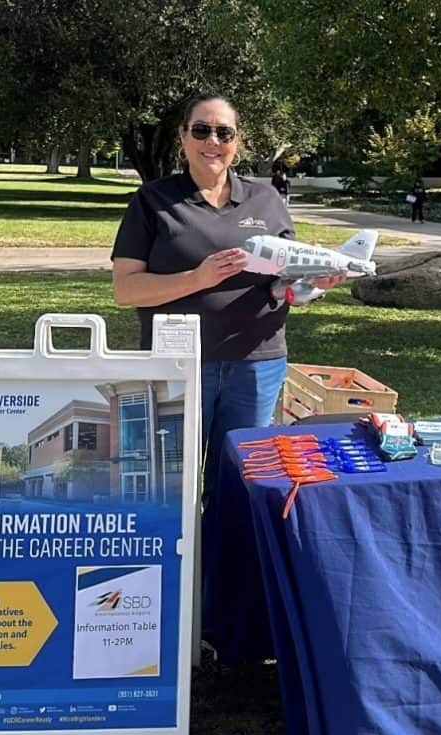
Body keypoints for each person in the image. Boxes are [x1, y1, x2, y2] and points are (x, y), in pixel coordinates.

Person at [110, 93, 344, 498]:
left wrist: (311, 286)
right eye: (201, 130)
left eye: (224, 132)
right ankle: (182, 562)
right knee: (171, 485)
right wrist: (199, 278)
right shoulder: (153, 200)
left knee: (240, 483)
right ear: (183, 136)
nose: (212, 141)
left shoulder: (266, 200)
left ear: (238, 141)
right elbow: (125, 289)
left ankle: (228, 561)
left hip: (256, 364)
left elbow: (284, 284)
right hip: (178, 366)